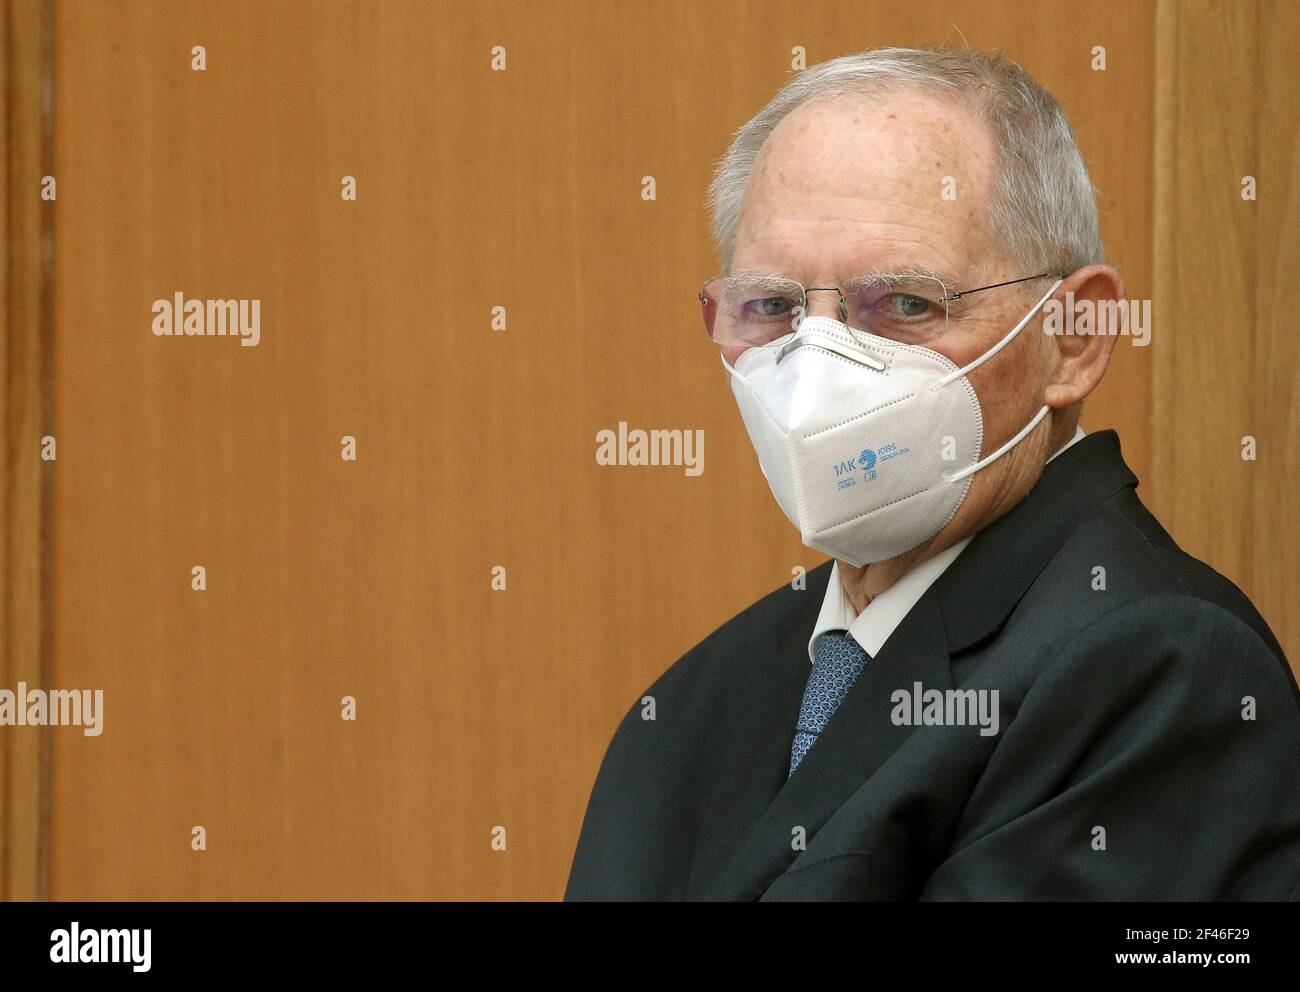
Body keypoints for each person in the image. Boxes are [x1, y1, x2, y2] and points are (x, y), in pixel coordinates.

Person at [566, 46, 1300, 900]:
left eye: (907, 305)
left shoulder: (1157, 671)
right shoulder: (697, 701)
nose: (819, 365)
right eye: (772, 308)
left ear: (1073, 337)